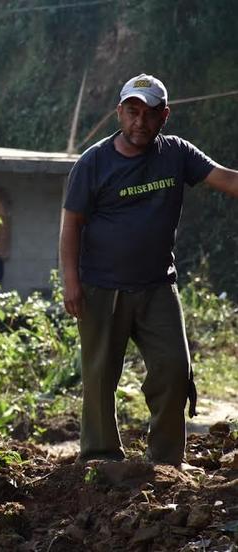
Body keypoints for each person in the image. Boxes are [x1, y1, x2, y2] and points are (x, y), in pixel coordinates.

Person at [60, 73, 238, 467]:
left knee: (175, 367)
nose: (140, 121)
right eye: (132, 111)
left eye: (150, 114)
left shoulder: (176, 154)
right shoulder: (93, 162)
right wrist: (71, 282)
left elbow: (226, 179)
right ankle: (100, 456)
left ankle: (166, 459)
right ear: (119, 113)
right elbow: (71, 223)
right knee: (100, 375)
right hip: (101, 288)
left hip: (158, 285)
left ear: (164, 116)